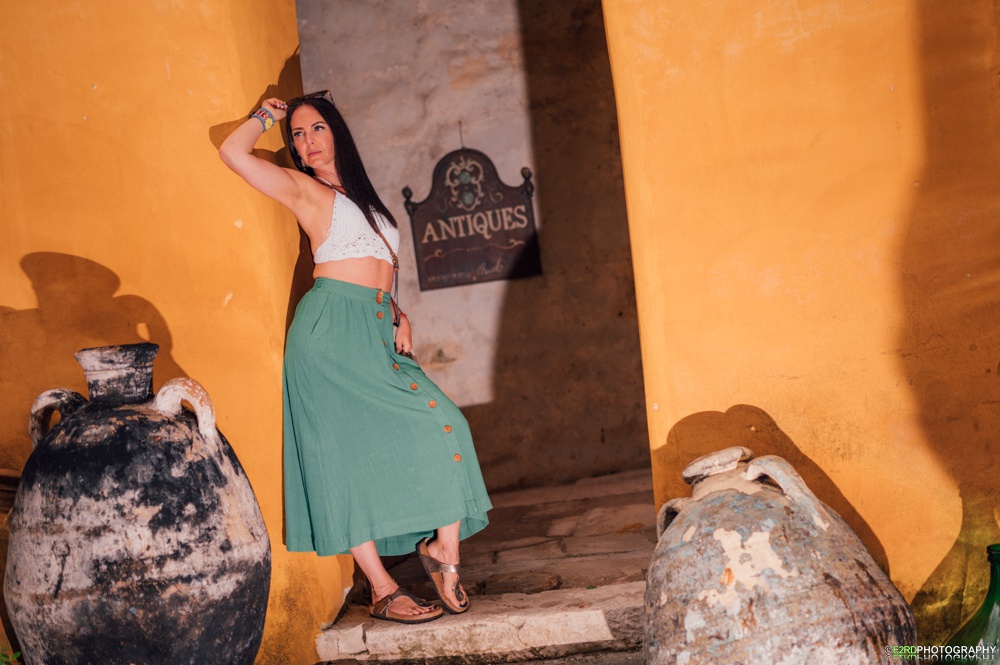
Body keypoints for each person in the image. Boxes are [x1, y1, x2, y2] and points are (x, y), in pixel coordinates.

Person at [219, 91, 492, 624]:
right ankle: (382, 589)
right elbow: (232, 153)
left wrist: (397, 311)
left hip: (372, 327)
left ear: (337, 132)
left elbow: (375, 263)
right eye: (298, 135)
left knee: (446, 423)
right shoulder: (304, 190)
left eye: (317, 128)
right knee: (342, 461)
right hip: (328, 336)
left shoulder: (362, 197)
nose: (307, 142)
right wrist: (266, 116)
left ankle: (444, 550)